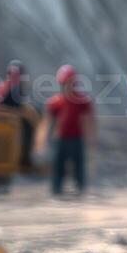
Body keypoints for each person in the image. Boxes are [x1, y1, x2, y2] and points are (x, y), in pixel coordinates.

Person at [42, 65, 95, 197]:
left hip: (76, 139)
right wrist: (43, 140)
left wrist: (90, 140)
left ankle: (80, 190)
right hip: (60, 140)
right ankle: (56, 191)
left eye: (69, 82)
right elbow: (47, 122)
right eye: (64, 83)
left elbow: (88, 121)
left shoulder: (82, 101)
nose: (67, 86)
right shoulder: (55, 102)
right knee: (58, 167)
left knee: (78, 167)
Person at [0, 60, 35, 173]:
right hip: (5, 119)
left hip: (16, 119)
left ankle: (24, 159)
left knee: (28, 129)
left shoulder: (18, 88)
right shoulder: (4, 87)